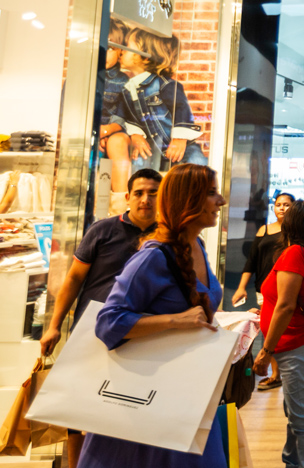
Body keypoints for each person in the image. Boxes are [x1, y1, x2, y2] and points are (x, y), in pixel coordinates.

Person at [87, 164, 226, 468]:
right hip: (149, 402)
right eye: (212, 193)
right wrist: (175, 321)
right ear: (189, 200)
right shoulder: (152, 256)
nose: (221, 201)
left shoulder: (197, 247)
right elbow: (108, 322)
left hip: (188, 393)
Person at [40, 169, 161, 468]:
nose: (145, 199)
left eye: (153, 193)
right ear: (127, 197)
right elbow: (74, 279)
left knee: (121, 410)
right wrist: (54, 326)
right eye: (139, 193)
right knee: (76, 410)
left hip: (139, 335)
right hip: (90, 332)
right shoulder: (103, 230)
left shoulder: (167, 236)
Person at [251, 200, 304, 468]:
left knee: (302, 417)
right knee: (295, 412)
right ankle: (293, 463)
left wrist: (266, 351)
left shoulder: (294, 254)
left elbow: (286, 305)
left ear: (291, 224)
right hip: (301, 345)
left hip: (296, 345)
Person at [118, 29, 207, 173]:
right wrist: (135, 134)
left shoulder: (165, 85)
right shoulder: (128, 89)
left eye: (128, 46)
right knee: (140, 165)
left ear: (145, 57)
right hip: (152, 147)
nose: (122, 51)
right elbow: (128, 117)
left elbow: (181, 109)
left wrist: (179, 138)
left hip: (178, 146)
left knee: (196, 166)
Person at [233, 192, 295, 391]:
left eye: (286, 205)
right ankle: (275, 373)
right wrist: (242, 287)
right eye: (278, 204)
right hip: (263, 289)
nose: (282, 208)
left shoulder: (295, 233)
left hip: (284, 288)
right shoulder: (264, 230)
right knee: (269, 329)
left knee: (275, 329)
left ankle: (277, 374)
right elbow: (252, 261)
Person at [99, 18, 135, 216]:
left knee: (118, 141)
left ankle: (120, 207)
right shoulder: (82, 77)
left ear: (120, 51)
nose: (105, 52)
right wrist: (96, 134)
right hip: (91, 132)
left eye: (111, 48)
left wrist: (105, 131)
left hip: (114, 131)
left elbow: (123, 116)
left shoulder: (123, 82)